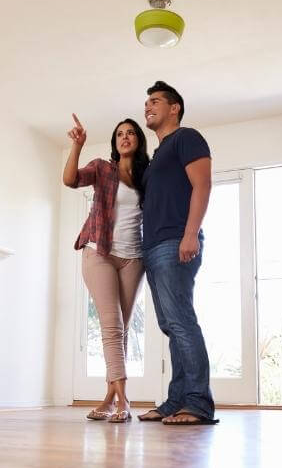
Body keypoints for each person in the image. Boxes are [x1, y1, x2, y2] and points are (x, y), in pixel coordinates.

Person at [136, 81, 218, 425]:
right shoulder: (157, 156)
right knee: (171, 325)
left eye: (155, 101)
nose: (147, 106)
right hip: (154, 247)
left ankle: (198, 403)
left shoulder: (186, 138)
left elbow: (203, 184)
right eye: (146, 102)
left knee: (181, 322)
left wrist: (189, 235)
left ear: (175, 108)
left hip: (175, 242)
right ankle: (175, 401)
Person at [63, 114, 149, 423]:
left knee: (122, 330)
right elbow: (71, 180)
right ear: (115, 142)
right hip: (99, 252)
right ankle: (124, 400)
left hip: (133, 258)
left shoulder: (146, 176)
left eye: (130, 133)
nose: (125, 137)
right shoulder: (102, 168)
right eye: (119, 134)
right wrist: (77, 145)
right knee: (112, 327)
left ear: (138, 140)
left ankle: (110, 398)